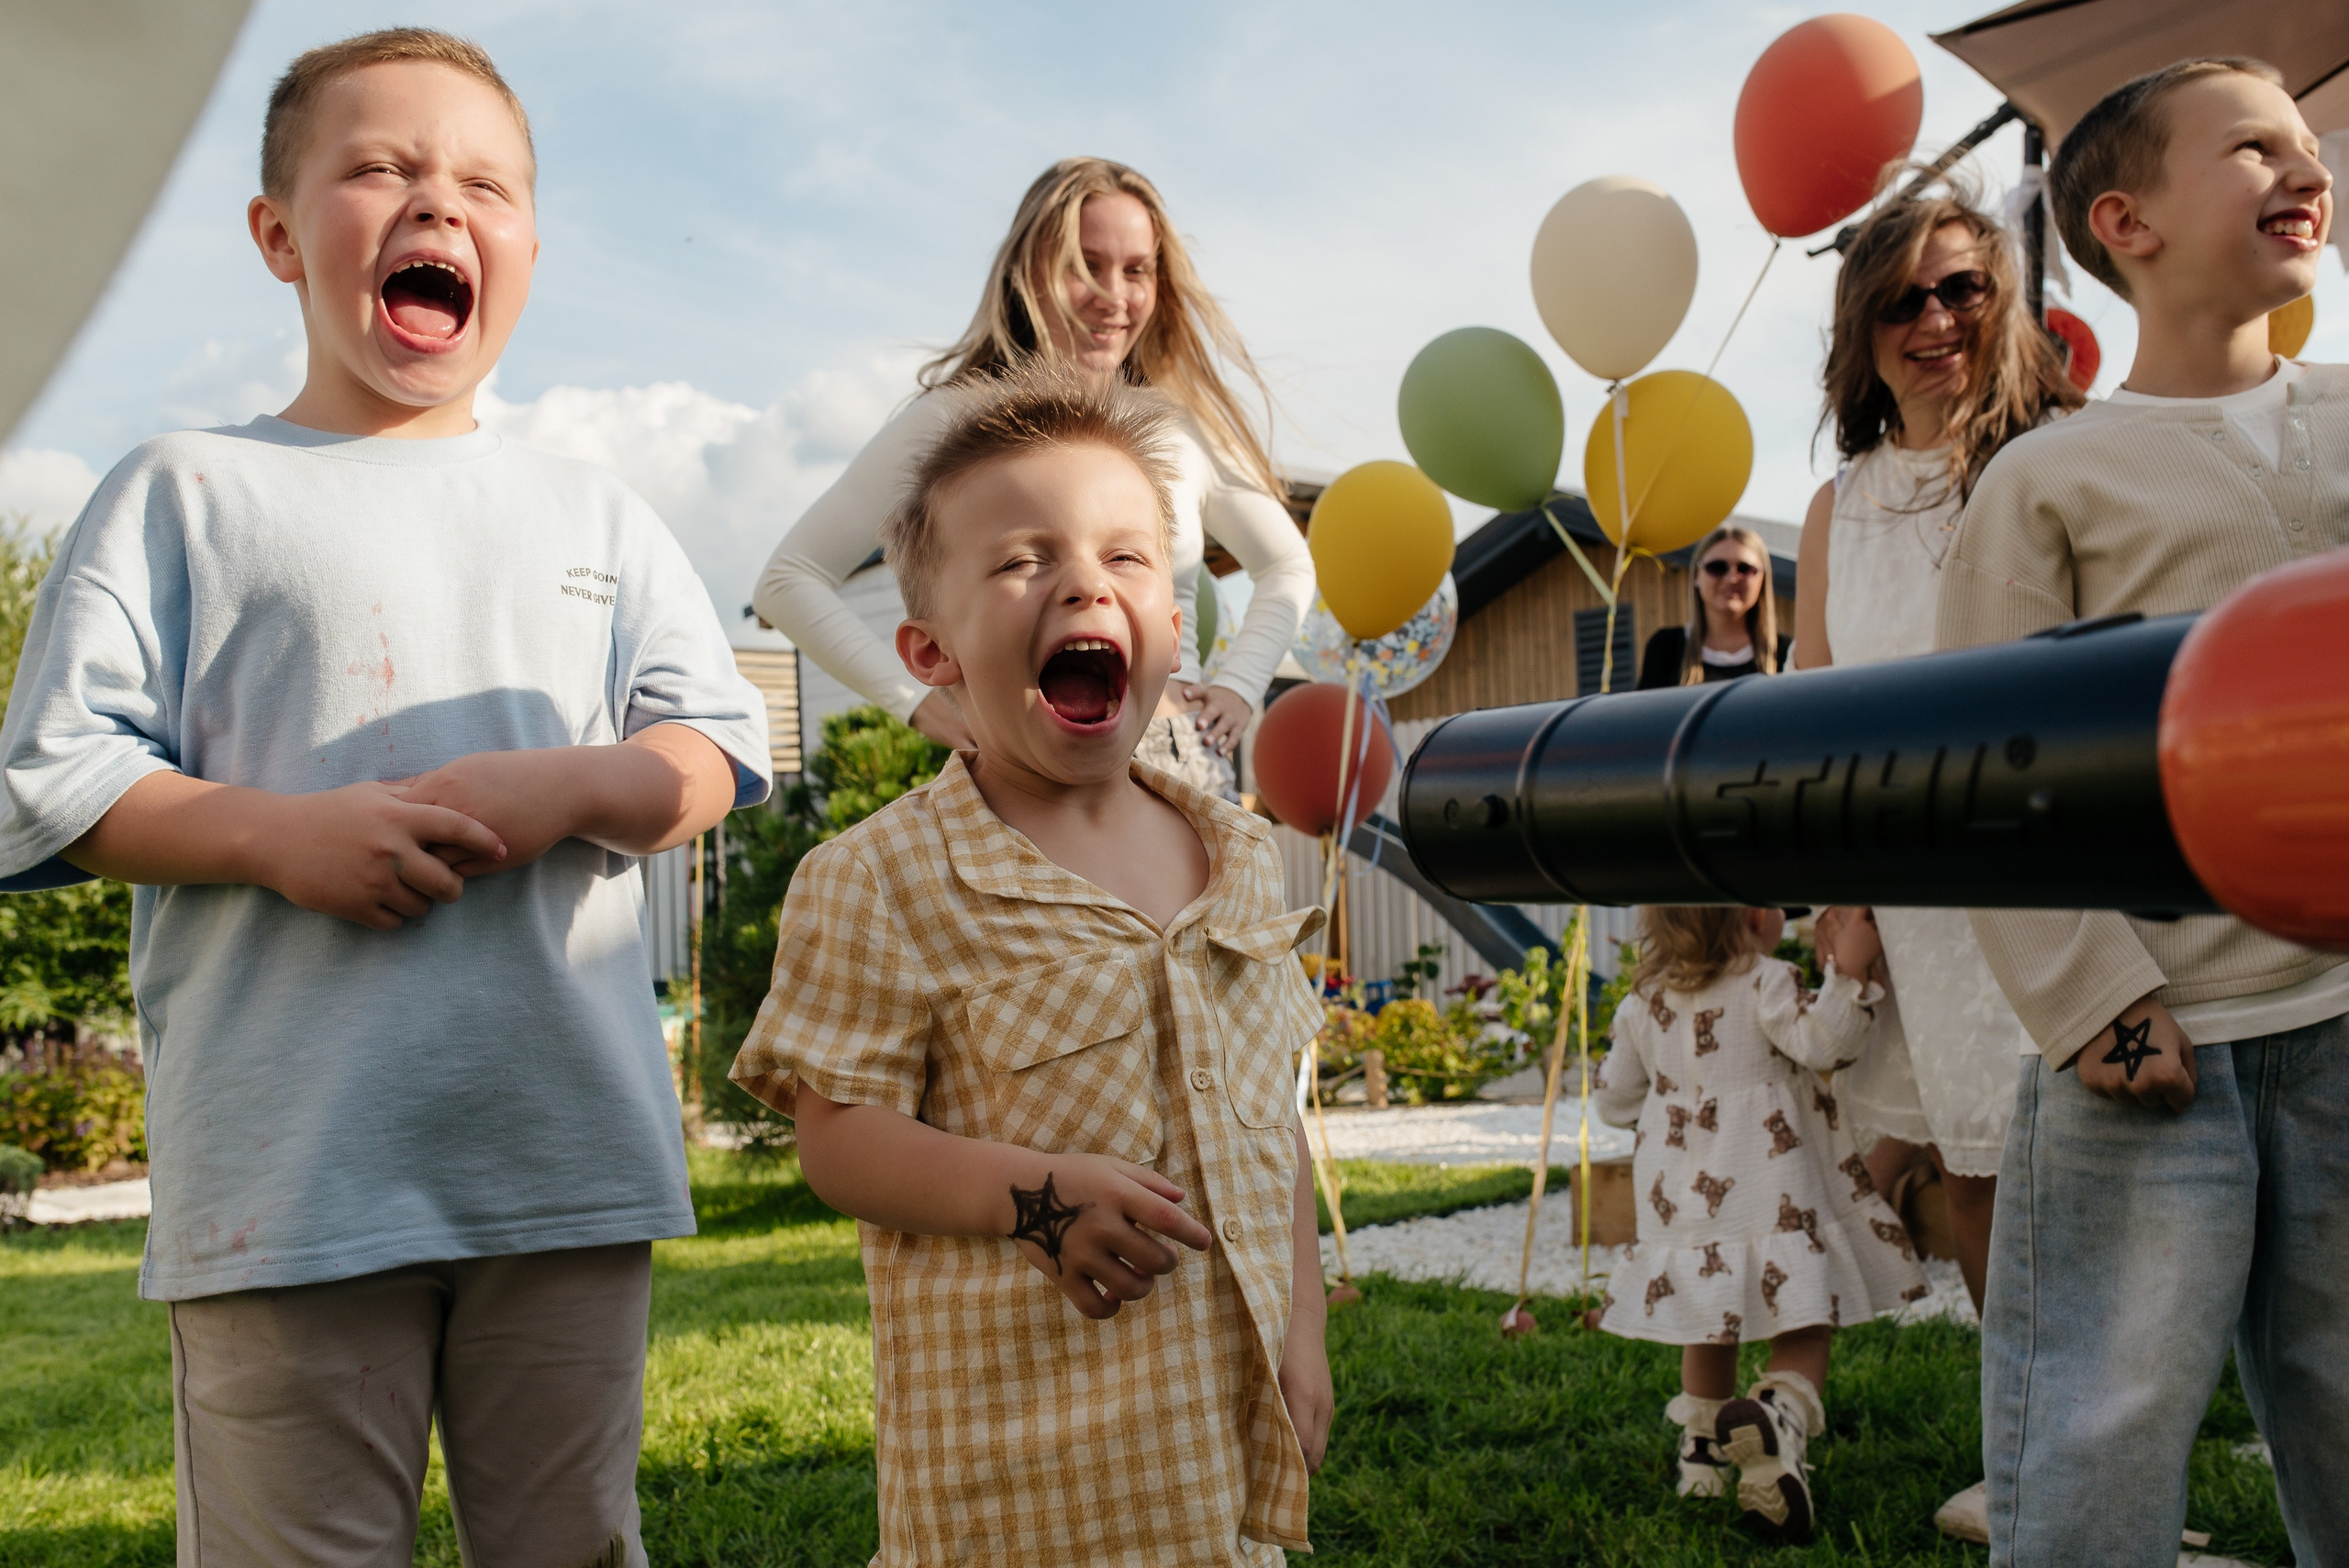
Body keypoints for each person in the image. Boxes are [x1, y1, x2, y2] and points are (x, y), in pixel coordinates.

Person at [0, 30, 771, 1561]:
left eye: (484, 182)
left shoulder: (595, 510)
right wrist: (280, 837)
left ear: (529, 250)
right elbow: (61, 779)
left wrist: (563, 788)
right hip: (286, 1176)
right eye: (380, 168)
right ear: (279, 233)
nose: (437, 202)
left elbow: (713, 752)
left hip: (559, 1160)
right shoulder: (186, 488)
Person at [729, 366, 1331, 1565]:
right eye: (1021, 560)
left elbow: (1273, 1120)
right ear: (929, 649)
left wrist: (1303, 1334)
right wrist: (1033, 1196)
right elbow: (838, 1138)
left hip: (1219, 1468)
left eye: (1126, 557)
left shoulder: (1243, 861)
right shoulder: (882, 880)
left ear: (1171, 629)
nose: (1081, 581)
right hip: (1016, 1491)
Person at [1938, 57, 2345, 1568]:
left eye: (2313, 148)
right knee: (2100, 1414)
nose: (2304, 169)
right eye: (2253, 147)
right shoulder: (2054, 479)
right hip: (2160, 1041)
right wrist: (2096, 993)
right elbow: (1982, 766)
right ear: (2129, 219)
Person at [753, 157, 1314, 800]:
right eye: (1085, 266)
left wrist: (1239, 686)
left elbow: (1287, 567)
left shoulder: (1178, 428)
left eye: (1136, 270)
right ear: (1029, 271)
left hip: (1179, 761)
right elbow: (787, 579)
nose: (1113, 295)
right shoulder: (956, 421)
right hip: (1021, 777)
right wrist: (915, 702)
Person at [1793, 190, 2082, 1298]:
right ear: (1861, 332)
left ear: (1999, 298)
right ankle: (2016, 1451)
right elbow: (1813, 708)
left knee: (2084, 1165)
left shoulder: (2059, 461)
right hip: (1915, 893)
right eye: (1900, 300)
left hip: (2053, 872)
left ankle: (2095, 1437)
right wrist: (1837, 890)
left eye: (1960, 287)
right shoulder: (1837, 508)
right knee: (1972, 1167)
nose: (1935, 320)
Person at [1596, 902, 1927, 1542]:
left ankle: (1702, 1455)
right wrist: (1849, 973)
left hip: (1684, 1208)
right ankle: (1780, 1414)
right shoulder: (1767, 981)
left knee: (1707, 1323)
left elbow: (1614, 1101)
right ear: (1753, 914)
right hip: (1773, 1194)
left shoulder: (1642, 1002)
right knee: (1802, 1318)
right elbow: (1829, 1043)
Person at [1634, 525, 1792, 689]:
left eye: (1745, 569)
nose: (1731, 579)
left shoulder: (1785, 653)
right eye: (1717, 567)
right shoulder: (1666, 649)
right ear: (1696, 575)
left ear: (1763, 578)